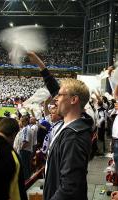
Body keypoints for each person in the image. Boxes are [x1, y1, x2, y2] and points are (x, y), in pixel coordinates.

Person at [28, 52, 93, 200]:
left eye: (60, 95)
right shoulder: (70, 126)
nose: (55, 98)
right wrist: (41, 65)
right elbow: (55, 89)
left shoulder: (74, 137)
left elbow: (70, 188)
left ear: (74, 100)